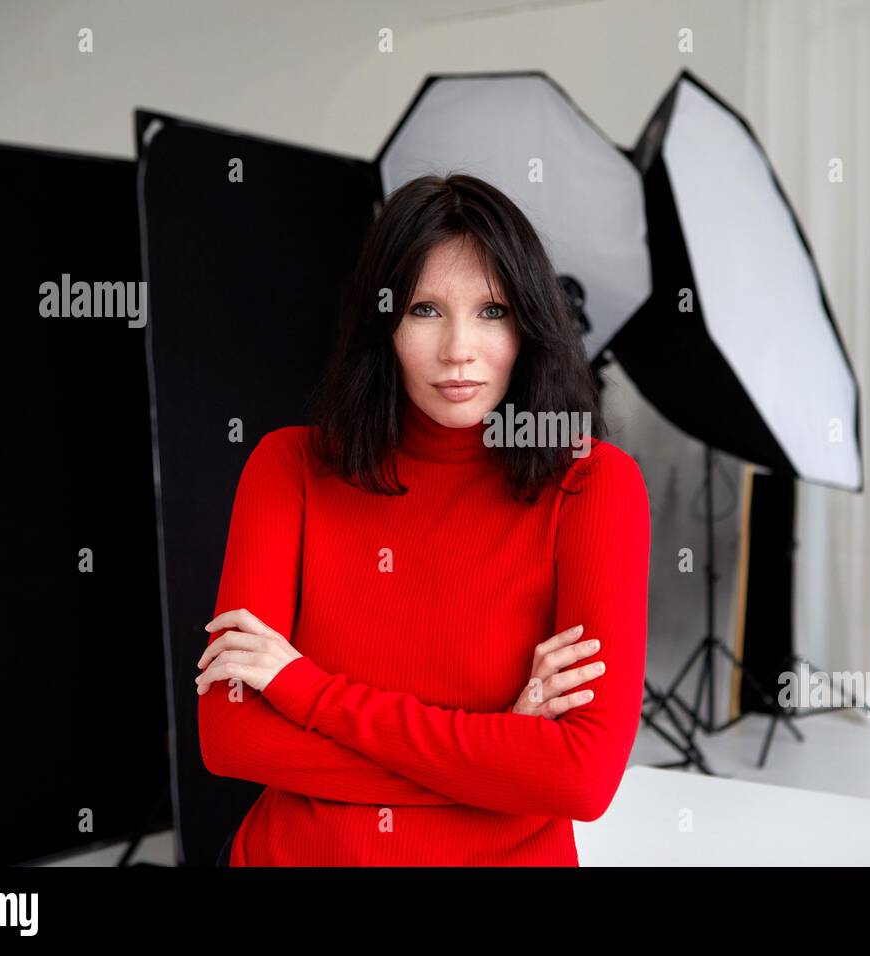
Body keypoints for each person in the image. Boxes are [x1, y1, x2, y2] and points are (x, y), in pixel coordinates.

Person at [195, 173, 651, 866]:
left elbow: (581, 778)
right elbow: (232, 739)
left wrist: (305, 690)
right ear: (384, 324)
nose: (459, 350)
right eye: (425, 310)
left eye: (492, 311)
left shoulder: (594, 485)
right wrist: (497, 752)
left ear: (529, 323)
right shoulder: (287, 466)